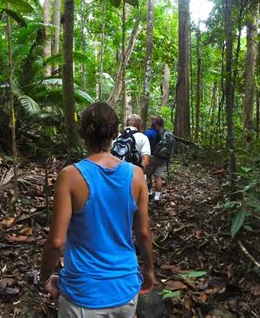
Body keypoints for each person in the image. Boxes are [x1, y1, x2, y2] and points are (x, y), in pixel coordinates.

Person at [37, 102, 155, 317]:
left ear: (82, 133)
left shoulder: (70, 176)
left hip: (84, 295)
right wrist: (148, 271)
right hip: (126, 290)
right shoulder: (137, 175)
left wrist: (43, 279)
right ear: (116, 133)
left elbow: (56, 243)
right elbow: (144, 233)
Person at [145, 116, 168, 201]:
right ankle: (157, 197)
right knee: (158, 176)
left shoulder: (148, 132)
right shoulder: (164, 133)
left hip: (151, 157)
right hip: (162, 157)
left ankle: (149, 192)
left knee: (148, 175)